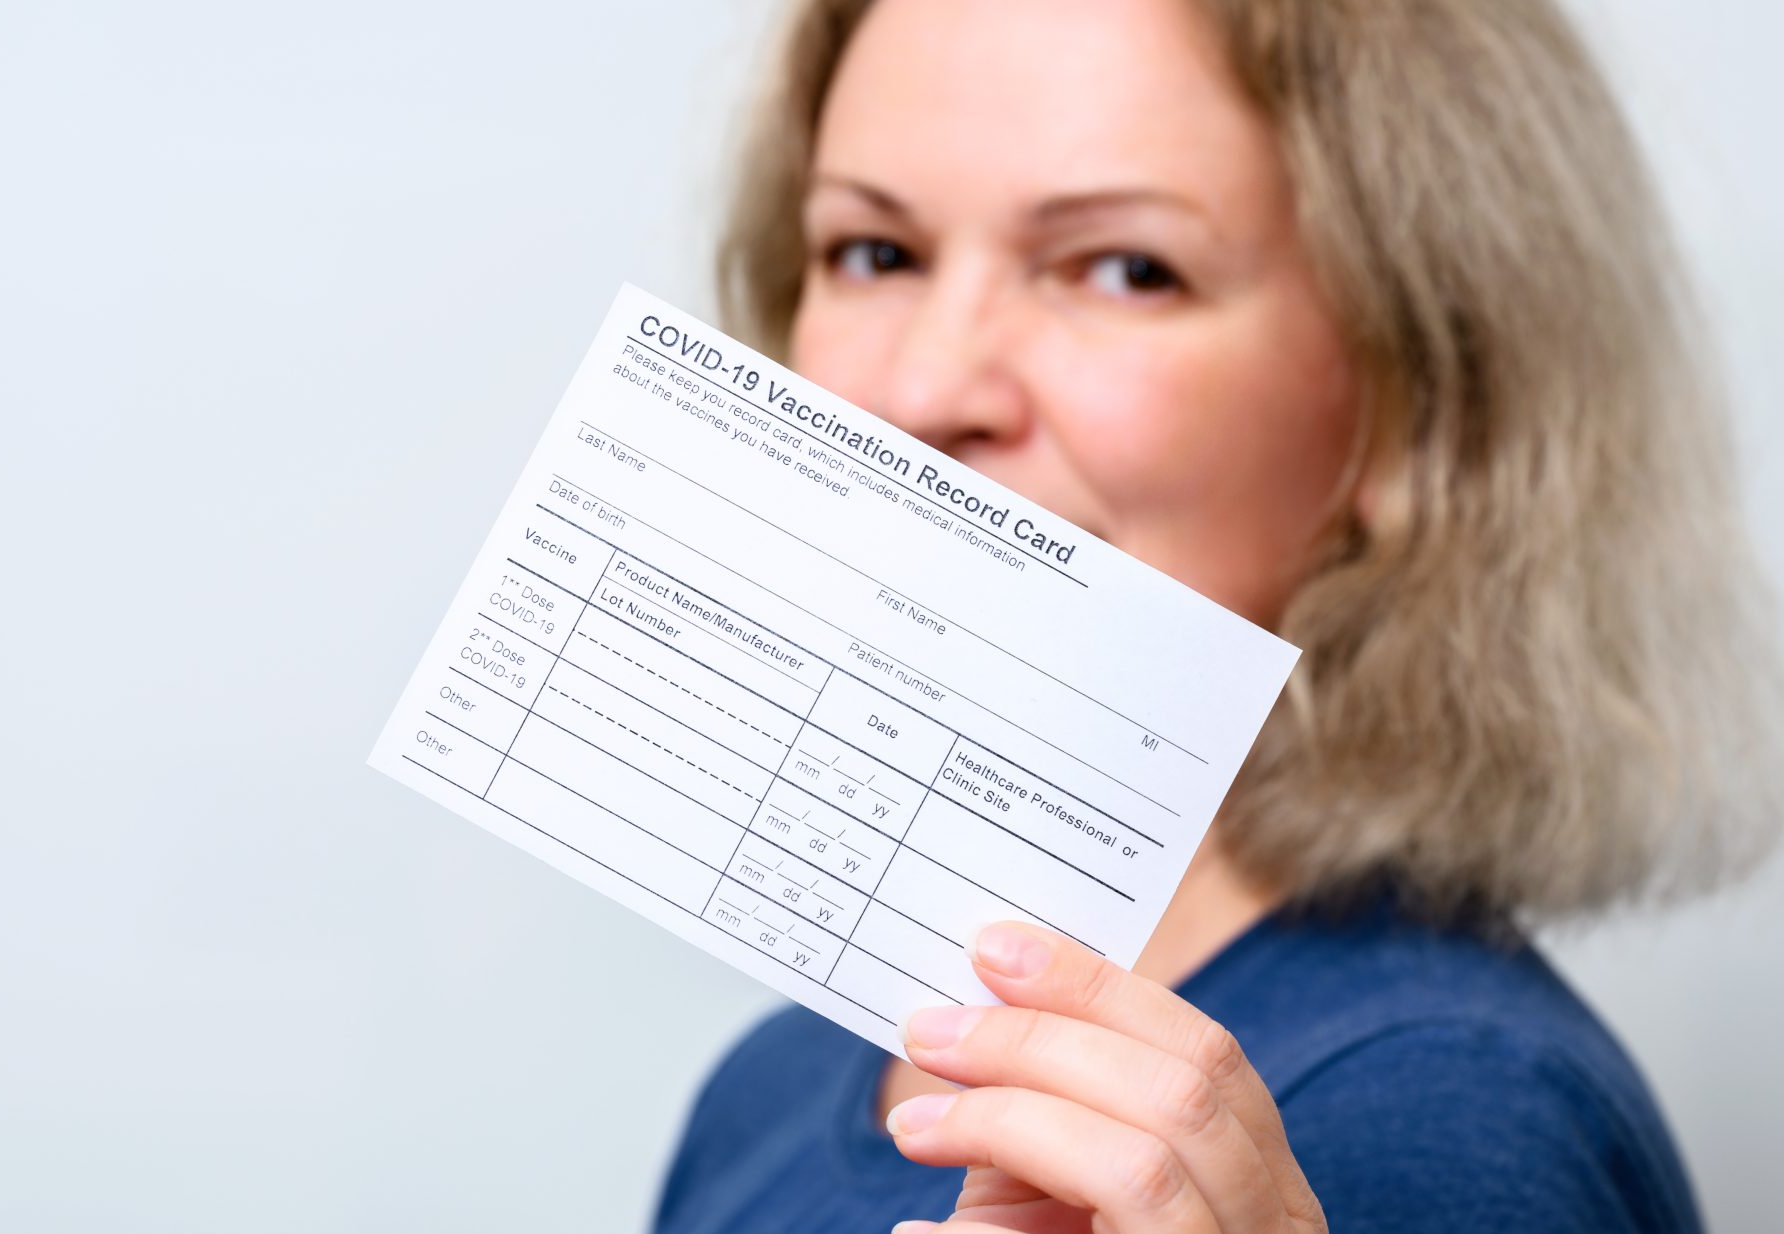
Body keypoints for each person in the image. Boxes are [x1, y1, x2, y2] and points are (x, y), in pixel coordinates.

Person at [649, 1, 1784, 1231]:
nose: (923, 390)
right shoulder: (769, 1086)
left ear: (1413, 401)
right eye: (873, 252)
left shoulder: (1445, 1120)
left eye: (1126, 269)